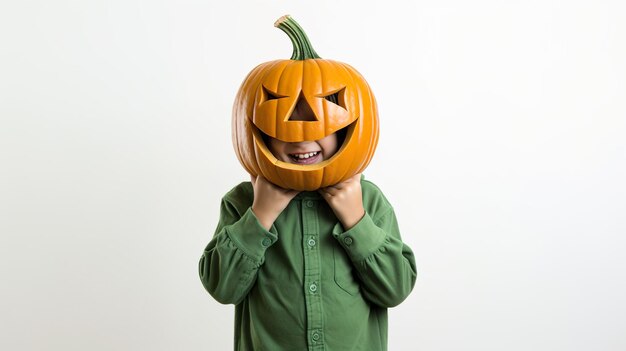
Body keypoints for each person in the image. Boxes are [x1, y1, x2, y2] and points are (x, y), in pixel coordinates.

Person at [199, 115, 418, 349]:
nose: (301, 138)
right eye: (284, 125)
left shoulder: (368, 200)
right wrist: (260, 215)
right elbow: (222, 288)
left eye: (319, 121)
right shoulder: (243, 202)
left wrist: (356, 220)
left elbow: (396, 289)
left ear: (343, 130)